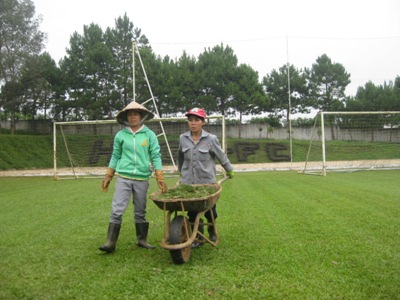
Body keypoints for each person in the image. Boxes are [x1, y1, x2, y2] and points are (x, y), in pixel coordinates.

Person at [99, 101, 167, 253]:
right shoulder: (121, 135)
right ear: (126, 117)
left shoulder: (150, 135)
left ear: (141, 116)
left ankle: (142, 240)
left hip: (142, 178)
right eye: (130, 114)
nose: (132, 117)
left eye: (135, 114)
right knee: (117, 209)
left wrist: (159, 176)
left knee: (140, 210)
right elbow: (115, 155)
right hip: (123, 177)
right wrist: (108, 175)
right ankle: (110, 243)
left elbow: (156, 155)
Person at [178, 107, 234, 247]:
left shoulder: (211, 139)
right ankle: (197, 235)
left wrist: (229, 169)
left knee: (210, 212)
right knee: (191, 212)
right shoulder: (183, 138)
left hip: (207, 184)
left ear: (203, 122)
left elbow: (221, 156)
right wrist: (181, 171)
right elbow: (180, 157)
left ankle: (212, 230)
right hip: (188, 184)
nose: (193, 123)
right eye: (190, 120)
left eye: (197, 120)